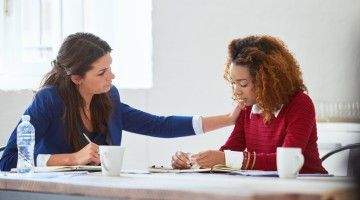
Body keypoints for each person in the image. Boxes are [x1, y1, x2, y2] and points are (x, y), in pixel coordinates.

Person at [0, 32, 243, 171]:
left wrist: (228, 119)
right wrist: (72, 158)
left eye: (110, 67)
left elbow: (158, 125)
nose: (112, 76)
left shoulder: (108, 97)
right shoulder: (49, 100)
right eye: (101, 72)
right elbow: (8, 160)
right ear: (76, 78)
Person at [172, 35, 327, 174]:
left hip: (309, 187)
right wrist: (194, 162)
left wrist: (225, 159)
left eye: (243, 84)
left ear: (267, 81)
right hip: (268, 189)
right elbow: (229, 152)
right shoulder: (247, 108)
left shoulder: (300, 104)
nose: (236, 92)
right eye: (233, 83)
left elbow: (287, 161)